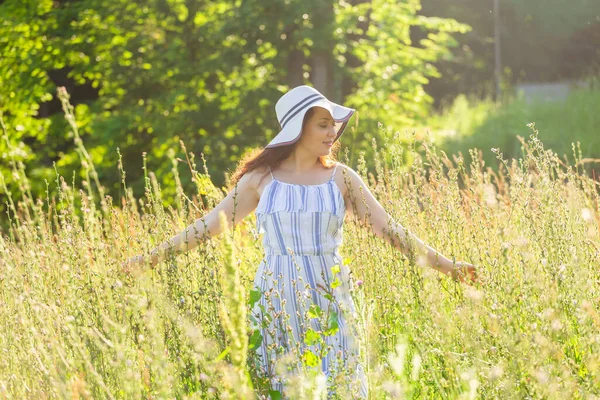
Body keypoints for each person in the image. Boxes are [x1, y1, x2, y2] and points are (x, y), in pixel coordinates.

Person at [124, 85, 477, 398]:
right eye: (322, 124)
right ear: (299, 128)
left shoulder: (342, 178)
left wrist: (448, 266)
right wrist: (151, 258)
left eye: (333, 124)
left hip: (331, 297)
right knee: (282, 386)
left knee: (340, 386)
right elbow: (207, 226)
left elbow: (391, 230)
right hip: (277, 299)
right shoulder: (260, 179)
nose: (332, 132)